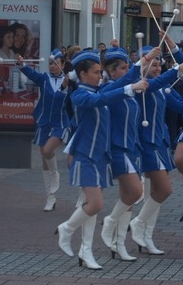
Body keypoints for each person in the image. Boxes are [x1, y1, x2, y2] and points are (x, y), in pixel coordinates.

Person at [56, 50, 149, 270]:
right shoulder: (79, 95)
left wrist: (143, 62)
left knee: (91, 206)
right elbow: (100, 99)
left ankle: (86, 251)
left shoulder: (99, 90)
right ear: (83, 73)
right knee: (95, 203)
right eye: (96, 72)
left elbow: (123, 81)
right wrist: (128, 89)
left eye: (101, 71)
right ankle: (66, 229)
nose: (100, 75)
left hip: (100, 157)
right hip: (85, 155)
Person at [129, 43, 183, 255]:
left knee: (156, 192)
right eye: (153, 63)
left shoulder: (160, 89)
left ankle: (146, 237)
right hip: (146, 144)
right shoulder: (141, 85)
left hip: (161, 142)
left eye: (160, 64)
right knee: (164, 190)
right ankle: (137, 224)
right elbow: (162, 80)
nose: (157, 68)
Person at [99, 46, 158, 262]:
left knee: (129, 199)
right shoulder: (107, 90)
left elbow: (133, 80)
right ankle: (110, 222)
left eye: (127, 67)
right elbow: (119, 87)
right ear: (112, 71)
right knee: (135, 192)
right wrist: (142, 60)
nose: (127, 71)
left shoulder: (131, 90)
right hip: (117, 148)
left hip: (132, 148)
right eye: (122, 68)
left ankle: (119, 244)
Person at [16, 49, 71, 211]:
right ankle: (50, 197)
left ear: (62, 65)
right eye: (50, 63)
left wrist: (66, 85)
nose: (52, 66)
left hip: (60, 122)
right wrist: (21, 64)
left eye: (55, 63)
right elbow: (32, 74)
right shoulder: (45, 79)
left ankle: (55, 175)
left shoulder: (68, 81)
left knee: (48, 151)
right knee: (44, 160)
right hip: (43, 122)